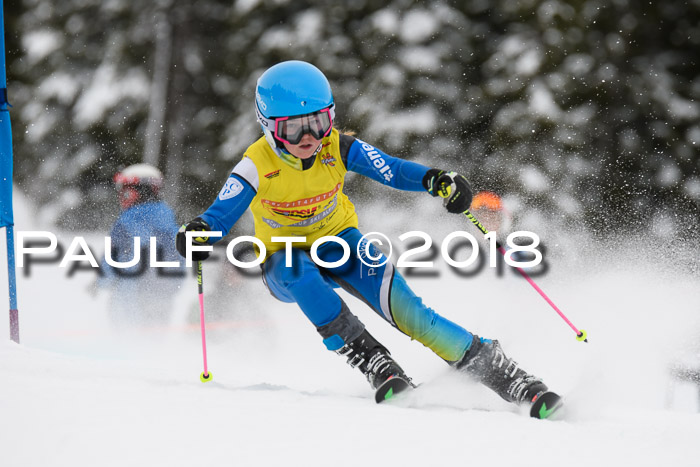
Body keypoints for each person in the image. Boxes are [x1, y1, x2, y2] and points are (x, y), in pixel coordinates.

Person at [176, 61, 560, 416]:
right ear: (269, 126)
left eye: (319, 121)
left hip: (340, 242)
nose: (309, 136)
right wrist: (198, 233)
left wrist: (435, 179)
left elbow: (390, 170)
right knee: (298, 269)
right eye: (293, 128)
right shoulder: (256, 164)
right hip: (283, 259)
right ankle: (370, 357)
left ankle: (502, 372)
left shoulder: (337, 147)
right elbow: (219, 214)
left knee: (411, 313)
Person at [97, 163, 184, 326]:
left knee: (127, 344)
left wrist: (100, 282)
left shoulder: (126, 223)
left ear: (140, 192)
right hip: (162, 300)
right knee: (151, 346)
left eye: (126, 193)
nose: (122, 198)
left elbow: (110, 261)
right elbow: (179, 266)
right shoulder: (171, 224)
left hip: (129, 299)